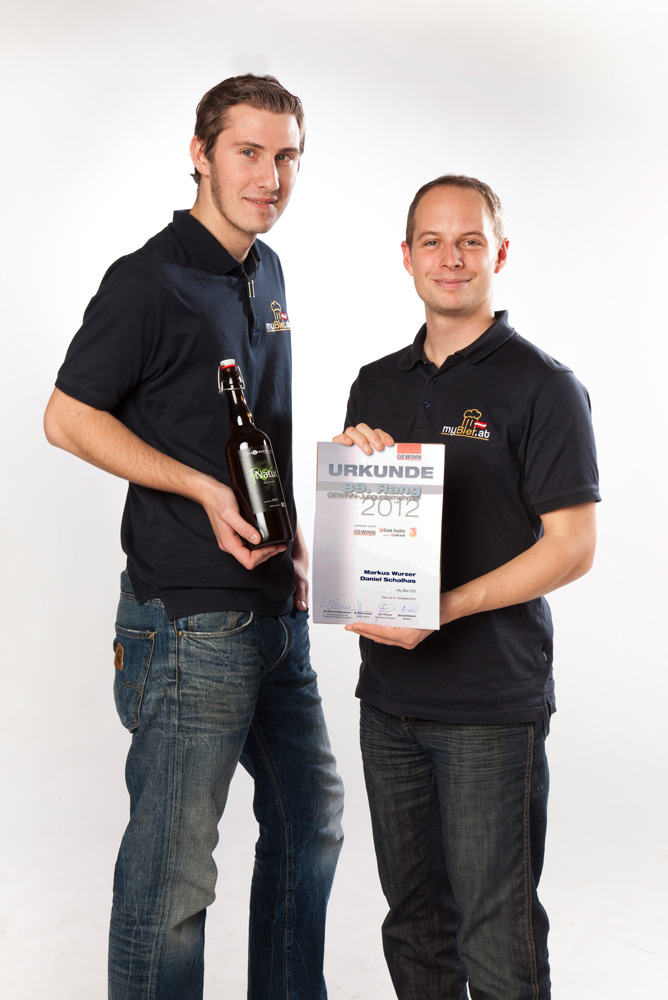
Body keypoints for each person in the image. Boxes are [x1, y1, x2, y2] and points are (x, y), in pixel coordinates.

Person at [44, 74, 344, 1000]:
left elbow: (254, 428)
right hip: (186, 621)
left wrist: (293, 537)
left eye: (287, 156)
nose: (270, 176)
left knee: (311, 819)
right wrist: (200, 488)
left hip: (273, 609)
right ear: (200, 154)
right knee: (174, 876)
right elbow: (66, 417)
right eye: (248, 152)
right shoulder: (147, 280)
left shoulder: (268, 270)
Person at [334, 175, 599, 1000]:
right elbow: (363, 532)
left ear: (500, 253)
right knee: (414, 925)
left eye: (470, 241)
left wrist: (444, 608)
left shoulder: (543, 386)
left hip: (490, 708)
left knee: (496, 935)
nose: (451, 258)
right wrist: (354, 477)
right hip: (389, 701)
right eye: (433, 242)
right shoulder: (375, 382)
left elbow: (573, 548)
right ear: (406, 256)